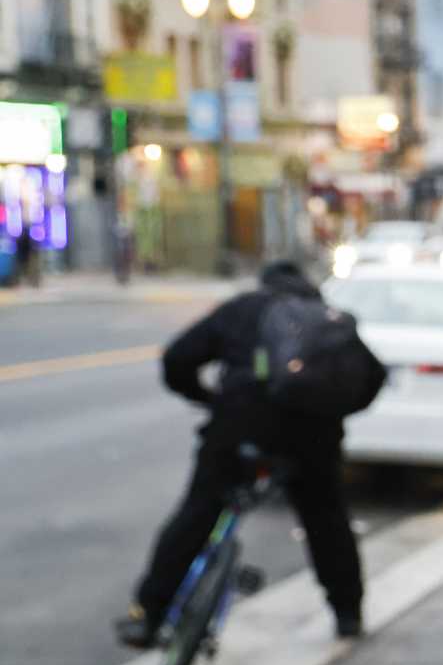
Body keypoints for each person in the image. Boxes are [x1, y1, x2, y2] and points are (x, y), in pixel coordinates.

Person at [117, 261, 370, 645]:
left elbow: (177, 360)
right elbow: (371, 378)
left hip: (239, 428)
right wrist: (331, 413)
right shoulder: (329, 320)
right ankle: (347, 612)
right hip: (311, 439)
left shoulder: (244, 309)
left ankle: (149, 614)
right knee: (326, 519)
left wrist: (207, 398)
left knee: (198, 512)